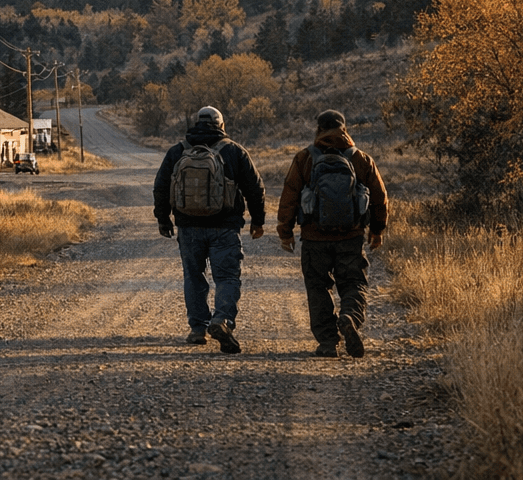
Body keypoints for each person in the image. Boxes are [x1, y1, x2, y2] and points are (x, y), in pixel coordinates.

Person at [276, 109, 389, 359]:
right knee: (354, 283)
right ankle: (350, 316)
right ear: (345, 129)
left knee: (317, 287)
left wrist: (286, 232)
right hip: (351, 237)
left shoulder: (304, 158)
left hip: (314, 238)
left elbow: (289, 197)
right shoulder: (360, 159)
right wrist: (377, 230)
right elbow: (380, 198)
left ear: (318, 129)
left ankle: (328, 342)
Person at [154, 106, 266, 354]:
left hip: (188, 227)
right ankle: (222, 320)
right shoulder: (234, 151)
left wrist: (163, 219)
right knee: (226, 277)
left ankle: (197, 329)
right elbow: (255, 188)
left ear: (196, 123)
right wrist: (258, 221)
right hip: (225, 228)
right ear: (221, 125)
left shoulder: (178, 151)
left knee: (193, 276)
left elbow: (161, 186)